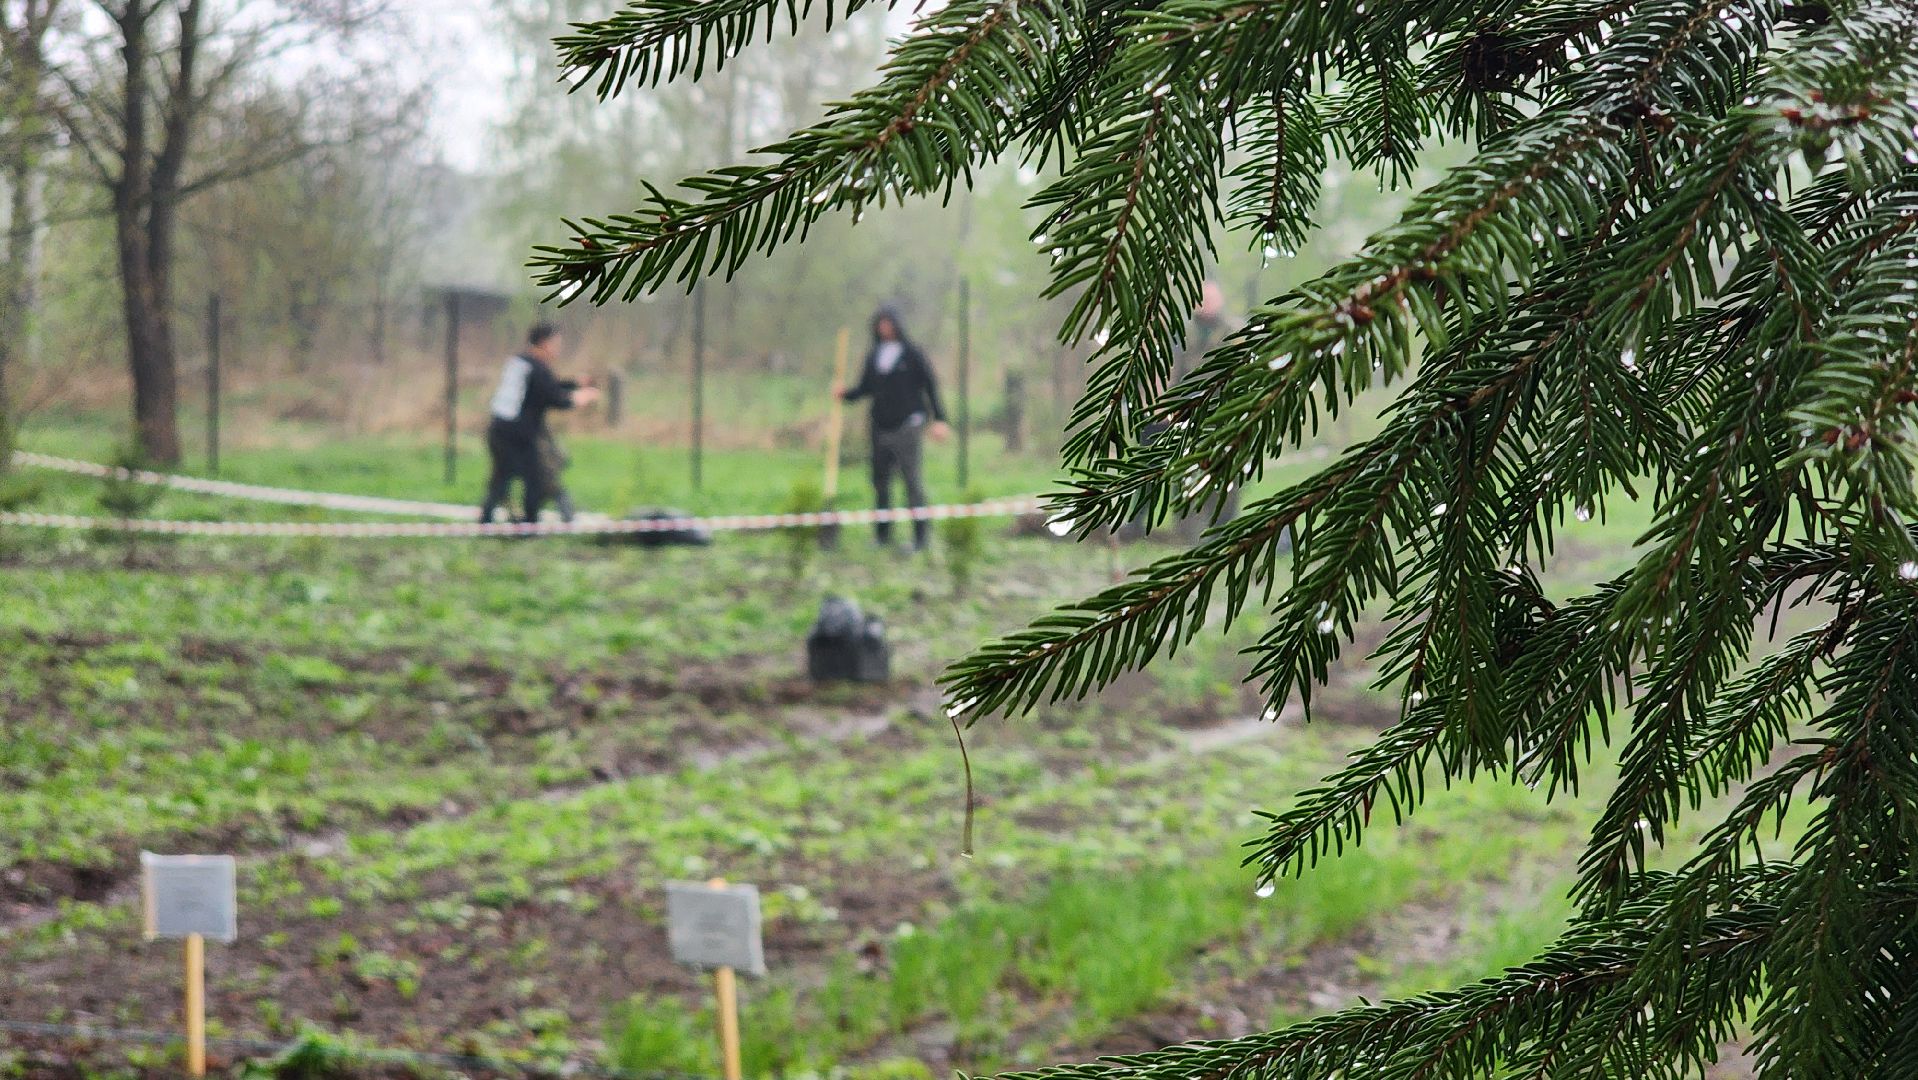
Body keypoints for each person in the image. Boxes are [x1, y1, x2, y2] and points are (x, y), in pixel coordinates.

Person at [837, 307, 950, 551]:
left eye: (889, 323)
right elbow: (866, 387)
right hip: (880, 426)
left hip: (908, 424)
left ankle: (920, 538)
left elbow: (930, 385)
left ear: (897, 325)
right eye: (881, 324)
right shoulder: (874, 355)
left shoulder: (912, 353)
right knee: (880, 482)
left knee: (911, 481)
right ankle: (882, 536)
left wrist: (940, 418)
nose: (884, 328)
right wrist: (844, 394)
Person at [481, 325, 599, 524]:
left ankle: (486, 522)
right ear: (545, 343)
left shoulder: (520, 362)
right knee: (534, 479)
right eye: (556, 344)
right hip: (519, 435)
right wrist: (580, 398)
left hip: (499, 429)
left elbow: (544, 387)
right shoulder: (538, 368)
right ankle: (529, 524)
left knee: (501, 478)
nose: (558, 349)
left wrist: (574, 383)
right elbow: (553, 397)